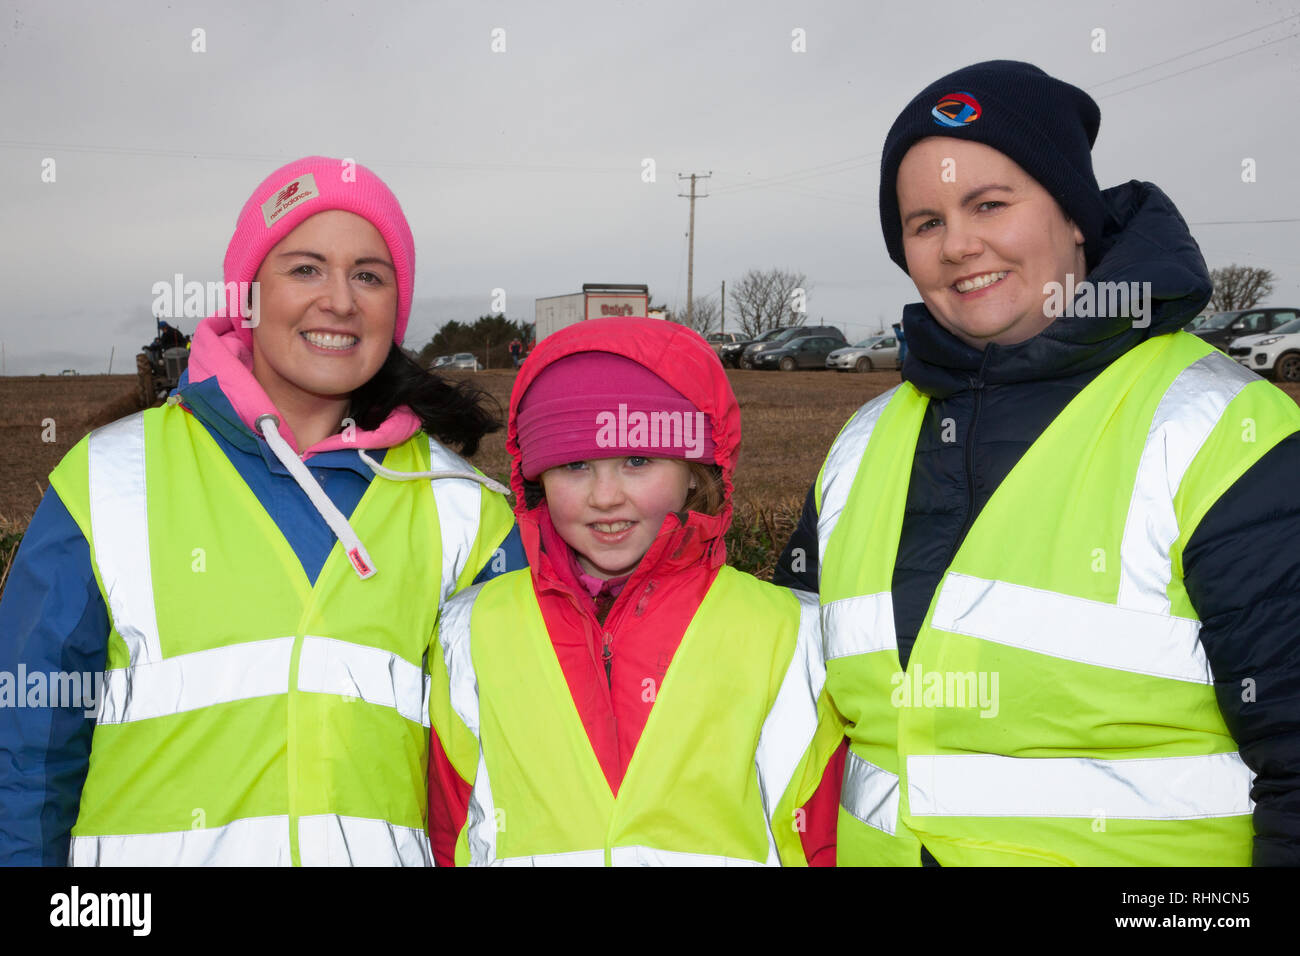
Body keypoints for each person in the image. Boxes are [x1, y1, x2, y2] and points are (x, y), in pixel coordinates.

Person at [774, 61, 1300, 866]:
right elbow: (779, 713)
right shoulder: (860, 447)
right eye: (924, 223)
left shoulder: (1217, 431)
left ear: (1074, 215)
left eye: (990, 204)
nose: (959, 245)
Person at [0, 156, 523, 866]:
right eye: (306, 268)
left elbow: (505, 782)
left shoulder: (465, 509)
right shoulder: (107, 479)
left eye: (368, 274)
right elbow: (29, 757)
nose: (339, 300)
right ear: (248, 294)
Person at [426, 317, 842, 865]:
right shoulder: (471, 631)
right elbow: (449, 832)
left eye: (637, 461)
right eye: (574, 464)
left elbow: (817, 837)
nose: (605, 496)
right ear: (537, 478)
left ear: (697, 469)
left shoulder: (787, 634)